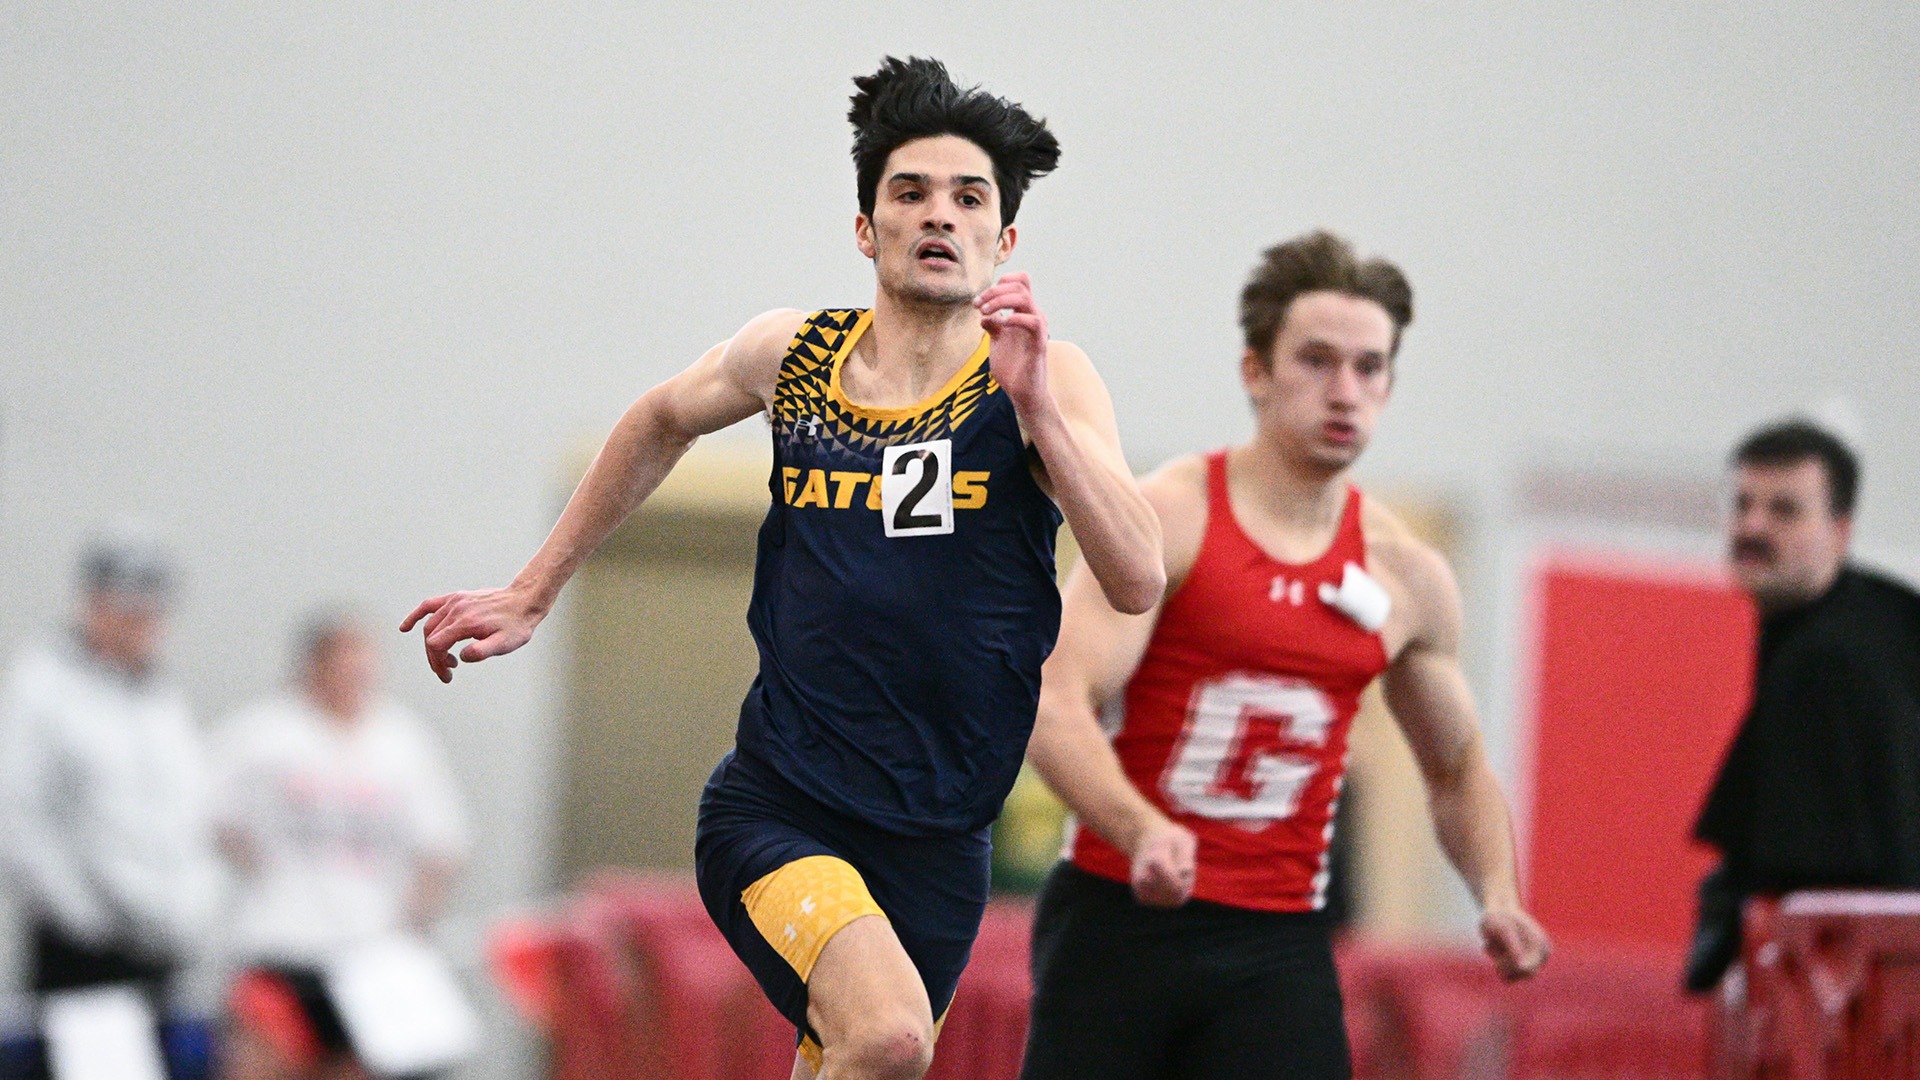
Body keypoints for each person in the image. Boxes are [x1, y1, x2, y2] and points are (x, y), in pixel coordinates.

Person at [400, 57, 1162, 1080]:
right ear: (866, 229)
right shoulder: (794, 359)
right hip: (782, 807)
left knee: (851, 1058)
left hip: (940, 841)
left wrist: (1042, 421)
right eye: (911, 193)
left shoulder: (1046, 381)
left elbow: (1138, 577)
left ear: (1004, 240)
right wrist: (535, 589)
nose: (940, 214)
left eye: (969, 198)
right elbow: (659, 419)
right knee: (889, 1038)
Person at [1020, 232, 1549, 1080]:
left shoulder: (1405, 573)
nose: (1345, 392)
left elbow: (1457, 769)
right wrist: (1140, 828)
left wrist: (1496, 893)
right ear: (1255, 370)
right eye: (1317, 360)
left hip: (1278, 939)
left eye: (1370, 368)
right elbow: (1054, 700)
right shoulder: (1174, 516)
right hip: (1122, 915)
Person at [1684, 420, 1920, 992]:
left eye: (1784, 510)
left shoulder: (1826, 662)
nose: (1752, 527)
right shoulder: (1884, 618)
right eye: (1743, 504)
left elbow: (1820, 880)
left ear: (1840, 532)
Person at [212, 612, 469, 1080]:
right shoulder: (263, 735)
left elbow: (441, 847)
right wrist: (274, 879)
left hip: (367, 954)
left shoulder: (402, 742)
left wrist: (406, 929)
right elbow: (217, 820)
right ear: (314, 667)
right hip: (283, 948)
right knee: (261, 1060)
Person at [0, 530, 220, 1039]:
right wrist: (83, 917)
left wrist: (192, 908)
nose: (139, 627)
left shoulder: (161, 699)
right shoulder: (44, 688)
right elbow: (18, 816)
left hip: (165, 946)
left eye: (150, 615)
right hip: (84, 951)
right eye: (125, 612)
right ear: (93, 603)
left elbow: (188, 815)